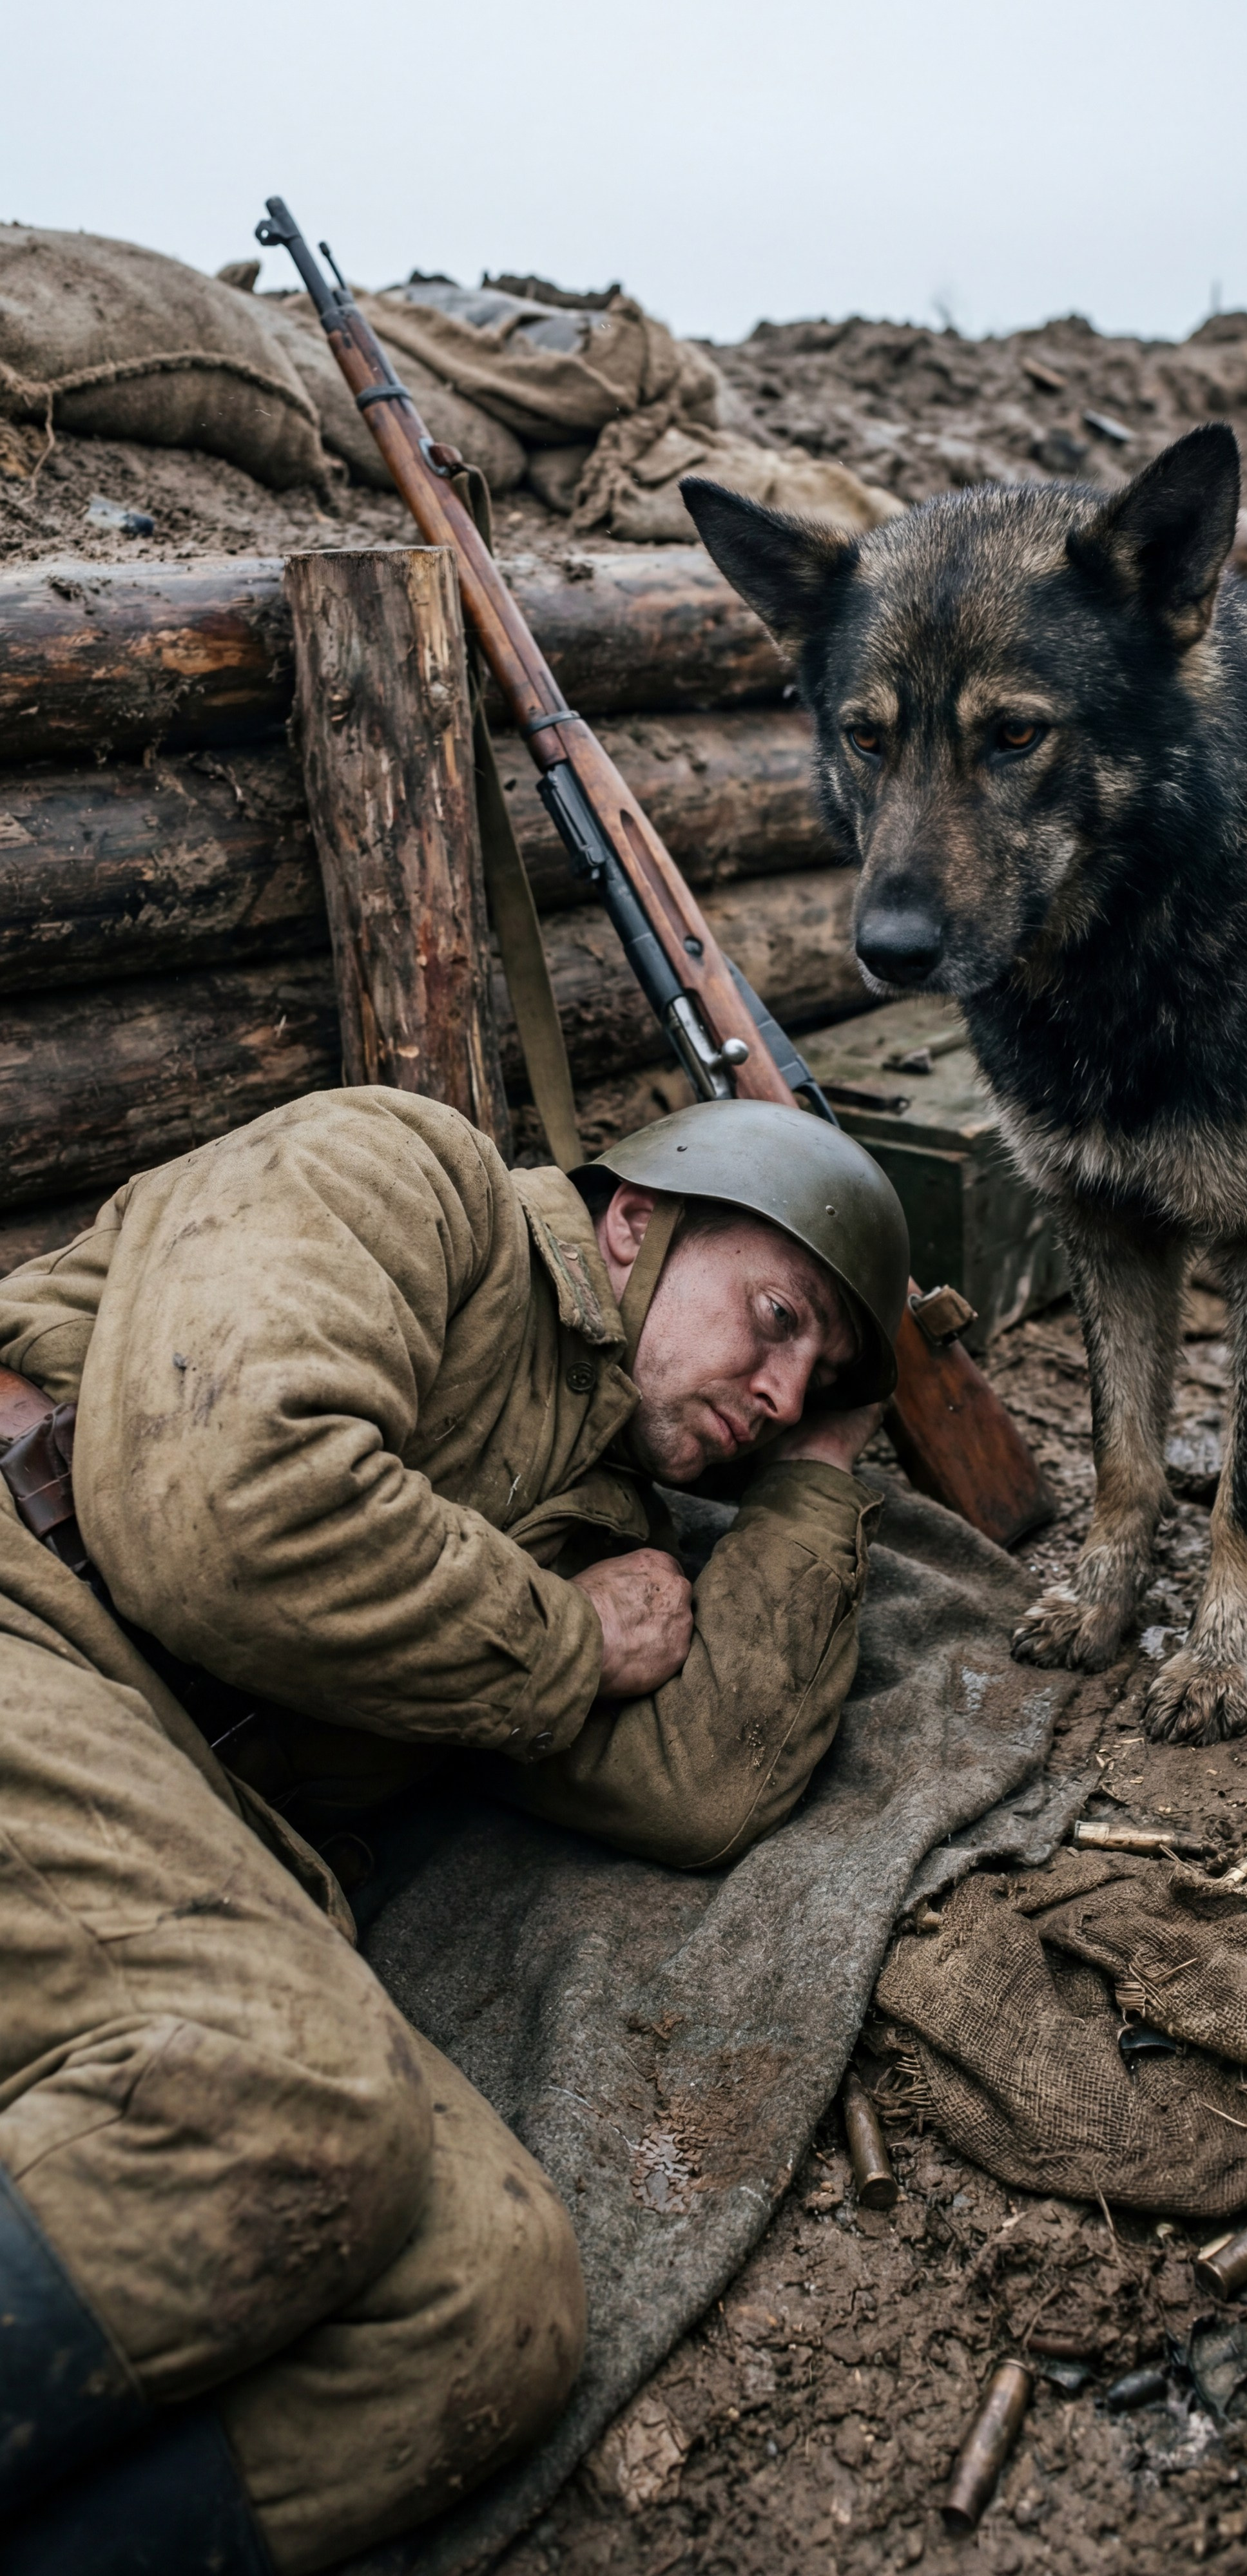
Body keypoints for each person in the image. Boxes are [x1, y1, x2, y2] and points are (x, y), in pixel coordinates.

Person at [0, 1086, 909, 2575]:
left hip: (176, 1803)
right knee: (290, 2082)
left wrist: (819, 1481)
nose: (784, 1388)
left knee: (489, 2313)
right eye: (777, 1316)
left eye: (821, 1379)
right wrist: (563, 1642)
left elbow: (705, 1781)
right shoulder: (406, 1178)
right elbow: (223, 1507)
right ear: (634, 1220)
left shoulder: (616, 1527)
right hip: (29, 1611)